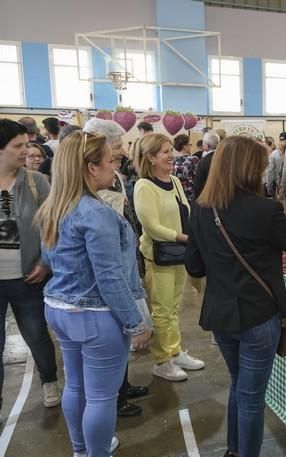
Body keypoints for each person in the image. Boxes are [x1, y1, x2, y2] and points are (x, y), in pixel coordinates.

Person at [184, 135, 286, 457]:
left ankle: (234, 449)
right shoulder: (265, 209)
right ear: (248, 168)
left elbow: (195, 266)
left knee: (238, 384)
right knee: (252, 396)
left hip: (220, 314)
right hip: (258, 315)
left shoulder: (201, 209)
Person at [36, 131, 152, 457]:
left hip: (59, 306)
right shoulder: (95, 213)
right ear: (91, 167)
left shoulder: (55, 207)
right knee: (101, 395)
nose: (114, 167)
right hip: (94, 315)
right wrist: (136, 323)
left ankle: (81, 449)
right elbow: (109, 278)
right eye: (110, 161)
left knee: (75, 385)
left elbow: (47, 260)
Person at [83, 118, 149, 417]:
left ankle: (122, 386)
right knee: (111, 340)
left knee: (119, 341)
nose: (123, 151)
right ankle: (114, 398)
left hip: (124, 262)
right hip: (111, 272)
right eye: (118, 145)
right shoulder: (90, 201)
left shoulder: (115, 176)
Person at [0, 119, 61, 419]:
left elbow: (53, 227)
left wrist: (45, 262)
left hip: (28, 277)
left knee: (37, 334)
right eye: (18, 146)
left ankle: (50, 381)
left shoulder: (38, 182)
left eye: (27, 144)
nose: (26, 151)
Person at [133, 133, 205, 382]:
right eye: (165, 151)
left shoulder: (174, 181)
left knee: (173, 306)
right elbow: (151, 226)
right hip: (160, 256)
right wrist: (184, 238)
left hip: (178, 254)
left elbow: (185, 212)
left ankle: (174, 351)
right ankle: (162, 360)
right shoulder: (144, 186)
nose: (171, 155)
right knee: (162, 310)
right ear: (151, 157)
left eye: (170, 150)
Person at [172, 134, 199, 203]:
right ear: (184, 146)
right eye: (190, 144)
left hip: (178, 194)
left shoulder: (173, 161)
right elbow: (198, 176)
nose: (191, 146)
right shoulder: (193, 159)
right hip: (191, 194)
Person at [193, 130, 221, 197]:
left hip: (208, 197)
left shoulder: (203, 161)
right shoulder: (226, 158)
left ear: (206, 145)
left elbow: (198, 185)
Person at [266, 132, 286, 198]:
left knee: (282, 202)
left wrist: (269, 186)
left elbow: (270, 170)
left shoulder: (274, 153)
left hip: (279, 183)